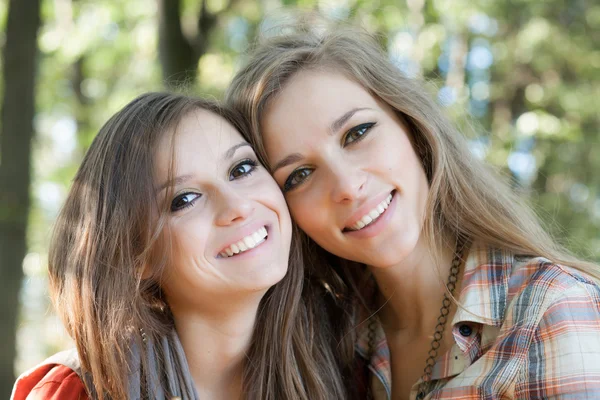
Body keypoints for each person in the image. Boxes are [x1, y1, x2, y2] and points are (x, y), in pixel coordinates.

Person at [226, 23, 600, 399]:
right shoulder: (324, 346)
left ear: (414, 130)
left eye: (357, 133)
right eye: (300, 175)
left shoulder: (551, 311)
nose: (346, 186)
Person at [12, 92, 347, 399]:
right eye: (184, 199)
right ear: (136, 257)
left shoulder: (346, 355)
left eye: (241, 168)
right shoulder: (75, 392)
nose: (238, 207)